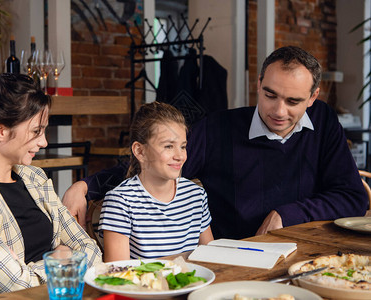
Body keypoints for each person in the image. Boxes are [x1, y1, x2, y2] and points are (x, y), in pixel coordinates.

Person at [63, 46, 368, 240]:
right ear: (258, 83)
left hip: (305, 249)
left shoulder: (324, 121)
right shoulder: (219, 128)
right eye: (270, 95)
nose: (279, 110)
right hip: (233, 258)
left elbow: (353, 197)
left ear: (313, 98)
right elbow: (155, 164)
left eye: (293, 101)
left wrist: (287, 214)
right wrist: (87, 186)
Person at [0, 73, 102, 299]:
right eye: (36, 131)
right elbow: (17, 285)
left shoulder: (35, 177)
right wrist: (61, 258)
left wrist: (56, 262)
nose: (44, 142)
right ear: (1, 131)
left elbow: (91, 251)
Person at [99, 102, 213, 261]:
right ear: (140, 151)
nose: (180, 156)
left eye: (183, 146)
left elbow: (211, 260)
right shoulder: (120, 202)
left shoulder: (196, 195)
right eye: (168, 146)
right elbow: (118, 276)